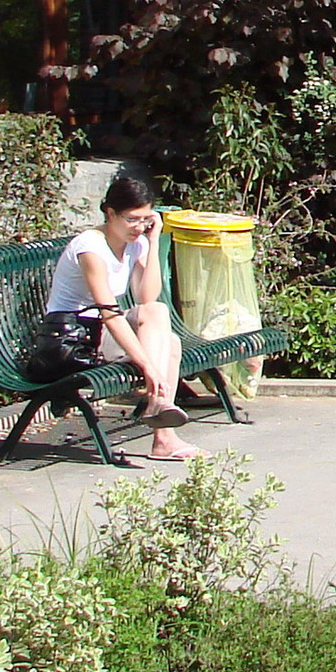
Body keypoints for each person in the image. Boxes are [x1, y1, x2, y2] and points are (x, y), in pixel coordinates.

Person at [44, 172, 198, 461]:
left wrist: (153, 242)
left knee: (165, 327)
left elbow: (146, 296)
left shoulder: (136, 242)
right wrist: (148, 367)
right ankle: (163, 432)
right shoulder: (90, 247)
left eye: (145, 219)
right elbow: (110, 314)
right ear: (110, 213)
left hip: (99, 333)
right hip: (73, 342)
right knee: (165, 340)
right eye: (132, 219)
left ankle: (160, 423)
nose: (139, 227)